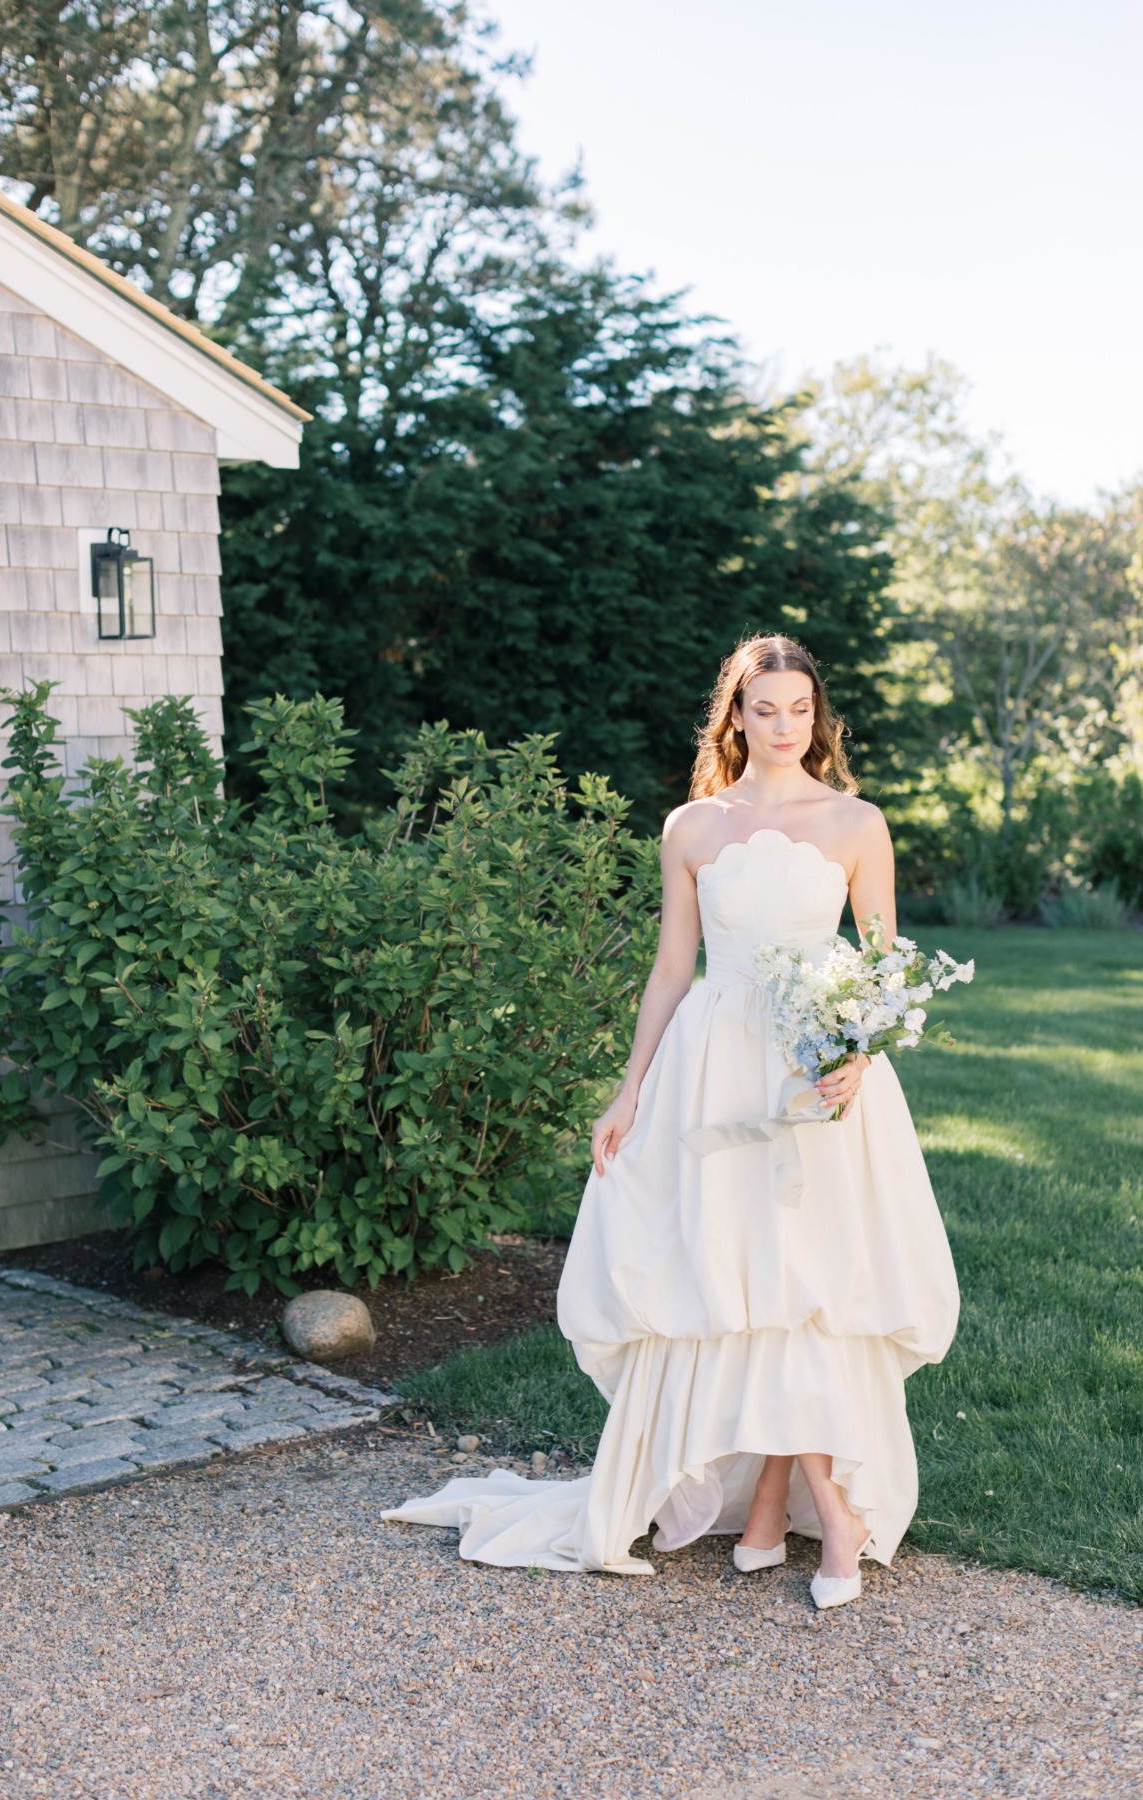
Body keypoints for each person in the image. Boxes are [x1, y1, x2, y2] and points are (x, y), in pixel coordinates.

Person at [382, 634, 960, 1609]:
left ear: (819, 718)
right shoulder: (692, 827)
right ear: (734, 715)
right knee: (739, 1278)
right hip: (715, 1068)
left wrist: (857, 1053)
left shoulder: (858, 822)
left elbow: (884, 961)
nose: (783, 727)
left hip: (817, 1073)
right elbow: (668, 969)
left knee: (804, 1282)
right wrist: (630, 1090)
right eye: (764, 709)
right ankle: (801, 1509)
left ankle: (795, 1506)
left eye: (799, 710)